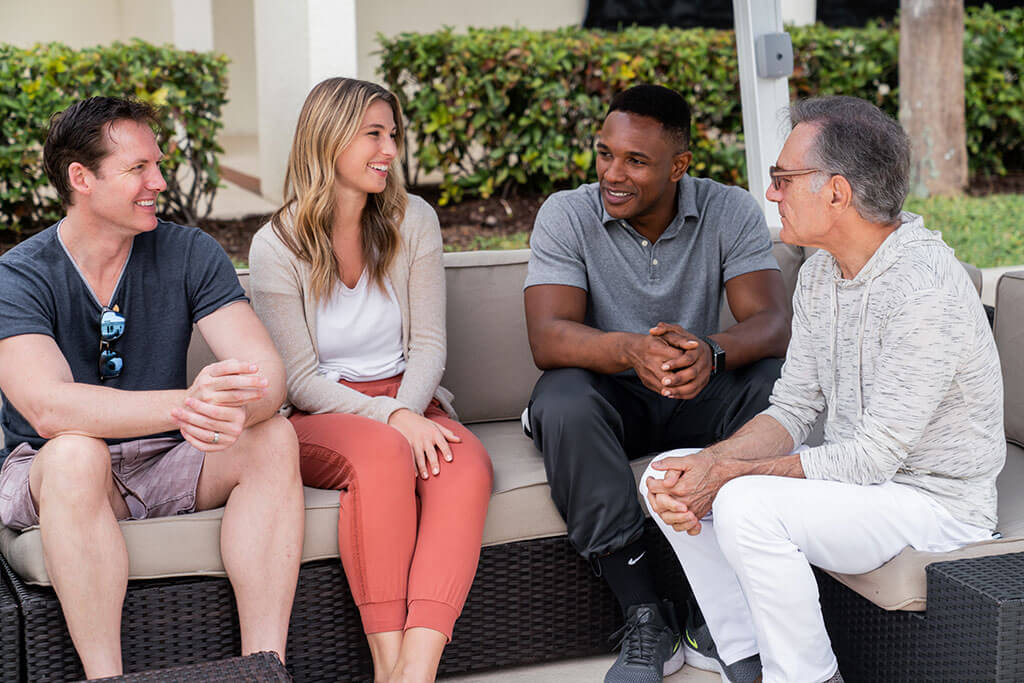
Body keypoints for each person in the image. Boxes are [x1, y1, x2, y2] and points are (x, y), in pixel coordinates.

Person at [642, 96, 1005, 683]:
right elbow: (793, 408)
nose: (772, 194)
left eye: (783, 179)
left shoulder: (924, 290)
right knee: (669, 474)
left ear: (837, 193)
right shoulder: (819, 273)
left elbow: (873, 457)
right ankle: (750, 658)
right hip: (866, 489)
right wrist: (706, 464)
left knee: (746, 503)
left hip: (936, 505)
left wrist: (728, 476)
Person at [0, 97, 305, 678]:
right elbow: (48, 408)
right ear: (81, 178)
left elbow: (266, 376)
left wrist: (240, 402)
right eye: (138, 168)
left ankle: (264, 669)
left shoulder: (190, 252)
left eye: (157, 165)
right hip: (50, 468)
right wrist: (191, 404)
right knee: (75, 453)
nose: (159, 182)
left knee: (272, 438)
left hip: (167, 458)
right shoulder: (19, 274)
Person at [523, 84, 790, 682]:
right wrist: (630, 349)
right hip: (612, 396)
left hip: (697, 389)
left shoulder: (728, 210)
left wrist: (713, 353)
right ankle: (645, 615)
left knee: (774, 386)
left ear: (680, 166)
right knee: (561, 400)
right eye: (604, 154)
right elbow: (548, 337)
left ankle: (712, 612)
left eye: (636, 161)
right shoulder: (568, 213)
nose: (613, 174)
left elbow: (771, 323)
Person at [248, 77, 493, 683]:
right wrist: (393, 421)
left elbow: (430, 346)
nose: (390, 149)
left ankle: (414, 669)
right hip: (324, 417)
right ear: (327, 140)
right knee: (386, 455)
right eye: (373, 135)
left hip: (411, 398)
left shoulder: (414, 221)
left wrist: (409, 412)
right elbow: (300, 381)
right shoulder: (276, 246)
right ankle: (388, 664)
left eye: (393, 135)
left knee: (466, 465)